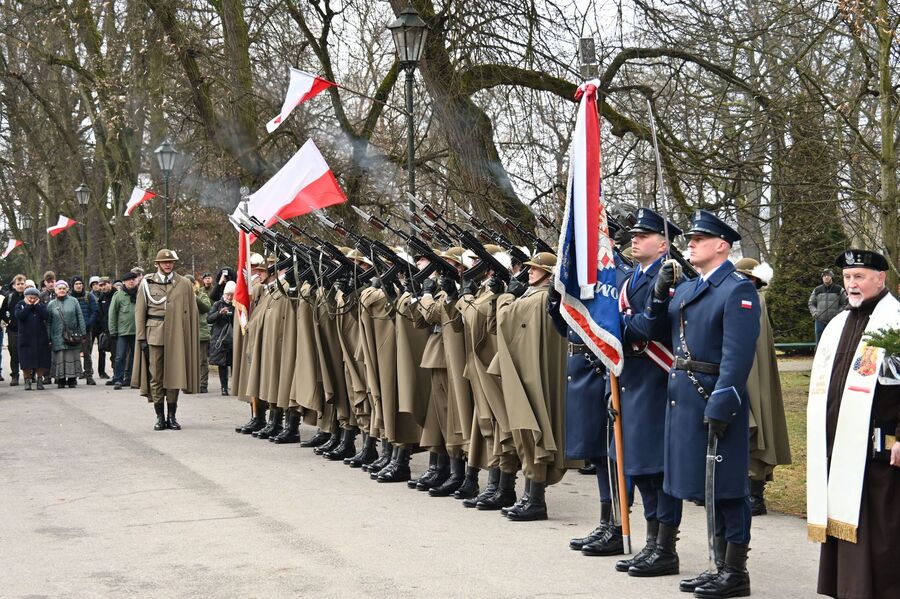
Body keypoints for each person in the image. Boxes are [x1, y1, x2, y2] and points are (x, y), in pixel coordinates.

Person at [647, 210, 760, 597]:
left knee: (727, 487)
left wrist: (722, 403)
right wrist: (660, 293)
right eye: (690, 239)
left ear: (722, 246)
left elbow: (737, 356)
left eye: (698, 239)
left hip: (711, 396)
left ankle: (735, 571)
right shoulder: (693, 287)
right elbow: (652, 331)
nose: (690, 243)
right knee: (706, 487)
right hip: (685, 398)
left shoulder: (737, 289)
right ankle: (716, 565)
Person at [808, 249, 899, 599]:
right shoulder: (839, 323)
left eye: (859, 277)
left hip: (880, 448)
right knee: (845, 524)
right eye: (847, 278)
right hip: (839, 447)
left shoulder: (895, 321)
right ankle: (848, 590)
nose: (852, 285)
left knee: (881, 533)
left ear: (881, 278)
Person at [608, 208, 685, 576]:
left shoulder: (670, 275)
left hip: (657, 379)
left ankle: (665, 546)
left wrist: (628, 326)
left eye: (644, 235)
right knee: (638, 466)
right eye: (634, 235)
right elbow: (620, 325)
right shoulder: (631, 280)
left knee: (657, 468)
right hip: (632, 378)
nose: (634, 240)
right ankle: (652, 541)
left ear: (663, 243)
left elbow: (649, 328)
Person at [494, 251, 570, 521]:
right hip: (533, 369)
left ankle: (534, 499)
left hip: (530, 372)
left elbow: (503, 319)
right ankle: (531, 496)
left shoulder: (534, 298)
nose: (529, 272)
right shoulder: (541, 297)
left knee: (530, 431)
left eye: (536, 269)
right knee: (530, 432)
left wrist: (506, 295)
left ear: (548, 274)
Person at [734, 258, 792, 517]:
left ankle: (754, 494)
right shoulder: (748, 299)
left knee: (756, 430)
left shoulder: (751, 300)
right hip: (743, 372)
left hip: (751, 375)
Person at [132, 249, 201, 431]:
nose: (168, 264)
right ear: (157, 264)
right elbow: (140, 313)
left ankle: (172, 416)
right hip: (155, 333)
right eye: (164, 262)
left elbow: (192, 311)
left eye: (170, 262)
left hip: (176, 334)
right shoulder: (147, 283)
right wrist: (141, 338)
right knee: (157, 377)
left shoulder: (184, 283)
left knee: (174, 375)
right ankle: (159, 417)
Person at [46, 280, 87, 389]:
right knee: (59, 357)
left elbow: (80, 317)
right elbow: (48, 323)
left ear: (67, 290)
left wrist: (83, 333)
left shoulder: (74, 301)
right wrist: (48, 337)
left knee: (72, 355)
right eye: (59, 288)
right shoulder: (51, 304)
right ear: (55, 290)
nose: (62, 290)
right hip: (57, 336)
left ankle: (72, 379)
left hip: (72, 336)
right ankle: (61, 379)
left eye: (64, 288)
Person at [14, 287, 51, 390]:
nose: (32, 299)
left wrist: (37, 306)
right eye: (30, 297)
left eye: (34, 297)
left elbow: (46, 316)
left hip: (40, 337)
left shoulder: (41, 305)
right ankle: (27, 380)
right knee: (25, 361)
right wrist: (29, 306)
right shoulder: (20, 305)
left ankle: (40, 380)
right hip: (25, 338)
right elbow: (20, 316)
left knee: (41, 360)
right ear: (25, 297)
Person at [108, 271, 139, 390]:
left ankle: (132, 379)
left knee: (135, 357)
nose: (131, 281)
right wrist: (113, 331)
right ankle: (118, 379)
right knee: (120, 356)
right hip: (122, 332)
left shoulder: (141, 294)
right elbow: (112, 314)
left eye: (133, 279)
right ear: (124, 282)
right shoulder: (118, 295)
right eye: (128, 280)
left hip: (137, 331)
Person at [208, 281, 235, 396]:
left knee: (234, 363)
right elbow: (209, 319)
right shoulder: (218, 304)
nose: (229, 297)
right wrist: (219, 313)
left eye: (231, 295)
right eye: (227, 294)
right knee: (222, 364)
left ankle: (235, 386)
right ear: (224, 294)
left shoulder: (236, 304)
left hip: (233, 338)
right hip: (220, 338)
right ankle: (224, 387)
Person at [70, 276, 99, 385]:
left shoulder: (88, 296)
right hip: (72, 330)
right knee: (73, 354)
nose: (78, 286)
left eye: (80, 283)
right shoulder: (69, 297)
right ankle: (73, 377)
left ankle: (89, 376)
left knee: (87, 354)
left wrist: (87, 324)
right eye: (76, 284)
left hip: (86, 330)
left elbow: (95, 311)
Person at [186, 275, 212, 393]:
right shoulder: (181, 296)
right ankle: (188, 384)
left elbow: (206, 308)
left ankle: (202, 384)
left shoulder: (201, 295)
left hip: (200, 332)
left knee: (201, 360)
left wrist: (194, 297)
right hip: (186, 332)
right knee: (187, 360)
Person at [809, 268, 848, 345]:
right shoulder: (817, 290)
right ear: (822, 277)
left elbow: (845, 303)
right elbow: (811, 303)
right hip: (820, 321)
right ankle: (819, 357)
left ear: (831, 276)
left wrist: (838, 314)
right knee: (819, 343)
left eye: (828, 275)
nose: (826, 277)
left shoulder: (839, 289)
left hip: (835, 321)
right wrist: (815, 313)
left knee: (835, 343)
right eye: (824, 276)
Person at [5, 275, 27, 385]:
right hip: (13, 330)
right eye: (18, 284)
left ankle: (29, 375)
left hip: (27, 329)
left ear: (25, 284)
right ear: (14, 285)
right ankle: (15, 375)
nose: (20, 286)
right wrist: (8, 320)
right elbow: (3, 311)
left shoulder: (29, 296)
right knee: (14, 353)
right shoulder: (9, 297)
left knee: (27, 352)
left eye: (22, 283)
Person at [96, 277, 114, 379]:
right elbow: (101, 314)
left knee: (117, 354)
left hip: (117, 329)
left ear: (110, 283)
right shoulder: (102, 297)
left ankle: (119, 375)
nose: (103, 287)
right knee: (105, 351)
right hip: (106, 329)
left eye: (105, 284)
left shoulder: (116, 294)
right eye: (101, 285)